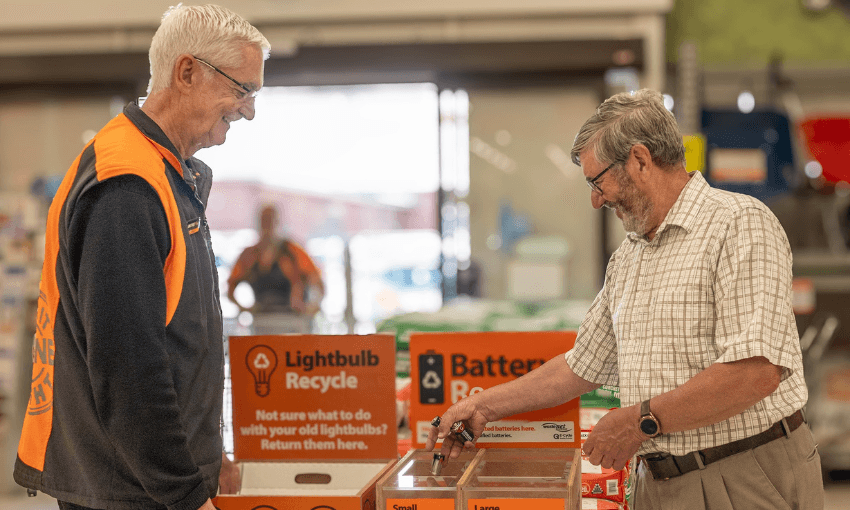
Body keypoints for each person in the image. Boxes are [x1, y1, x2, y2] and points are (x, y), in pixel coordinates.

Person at [427, 89, 823, 509]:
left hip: (745, 475)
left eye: (598, 181)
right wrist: (484, 406)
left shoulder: (740, 225)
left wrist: (640, 421)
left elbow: (755, 373)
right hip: (658, 482)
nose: (596, 200)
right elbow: (581, 365)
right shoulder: (630, 256)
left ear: (639, 159)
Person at [14, 5, 269, 510]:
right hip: (131, 491)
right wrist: (185, 493)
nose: (248, 110)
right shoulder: (126, 187)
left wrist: (207, 452)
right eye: (242, 89)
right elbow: (128, 367)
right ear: (188, 71)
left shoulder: (166, 174)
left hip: (146, 481)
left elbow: (176, 337)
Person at [226, 205, 325, 334]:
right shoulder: (250, 255)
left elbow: (317, 282)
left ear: (278, 222)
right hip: (262, 320)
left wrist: (311, 308)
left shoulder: (292, 251)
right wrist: (244, 308)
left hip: (294, 320)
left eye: (271, 220)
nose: (267, 225)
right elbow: (231, 285)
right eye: (264, 220)